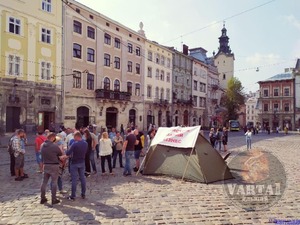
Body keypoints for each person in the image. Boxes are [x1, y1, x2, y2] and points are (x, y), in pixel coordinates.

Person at [40, 133, 63, 205]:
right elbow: (60, 153)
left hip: (46, 164)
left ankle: (42, 198)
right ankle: (53, 199)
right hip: (54, 165)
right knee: (54, 182)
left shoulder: (42, 145)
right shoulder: (54, 146)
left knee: (44, 182)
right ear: (52, 138)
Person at [64, 131, 87, 201]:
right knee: (82, 178)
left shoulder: (74, 144)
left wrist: (65, 149)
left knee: (74, 179)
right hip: (82, 162)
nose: (74, 138)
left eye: (74, 137)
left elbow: (68, 153)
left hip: (74, 162)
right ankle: (83, 193)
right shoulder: (85, 143)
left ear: (77, 136)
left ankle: (73, 195)